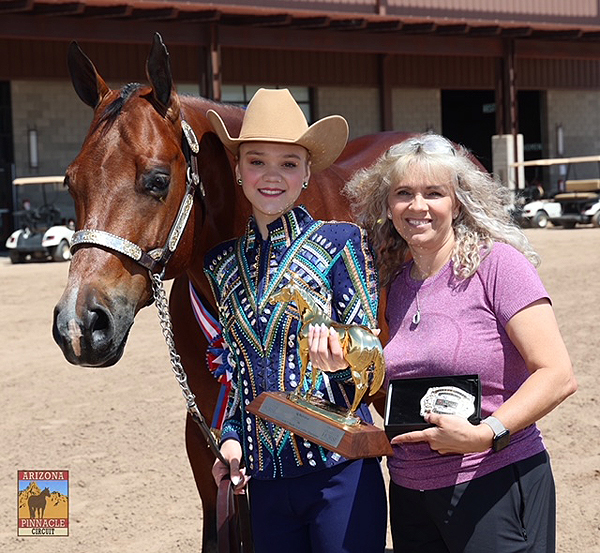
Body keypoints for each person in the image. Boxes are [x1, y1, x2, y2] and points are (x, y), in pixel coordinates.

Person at [344, 133, 577, 553]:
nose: (418, 206)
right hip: (411, 494)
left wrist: (488, 432)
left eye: (434, 193)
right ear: (387, 205)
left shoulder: (498, 265)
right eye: (403, 193)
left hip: (492, 479)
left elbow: (557, 374)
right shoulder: (393, 284)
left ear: (457, 201)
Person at [204, 88, 387, 553]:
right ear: (238, 170)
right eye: (256, 161)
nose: (272, 176)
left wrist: (341, 363)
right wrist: (229, 438)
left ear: (307, 173)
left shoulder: (340, 242)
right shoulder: (221, 266)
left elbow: (371, 353)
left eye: (288, 163)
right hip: (263, 481)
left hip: (338, 472)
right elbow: (229, 366)